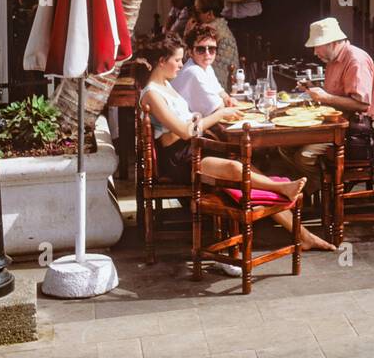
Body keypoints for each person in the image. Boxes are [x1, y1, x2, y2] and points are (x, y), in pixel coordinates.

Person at [134, 35, 332, 253]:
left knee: (246, 168)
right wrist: (219, 114)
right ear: (162, 61)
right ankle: (282, 189)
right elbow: (184, 131)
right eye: (178, 60)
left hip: (190, 147)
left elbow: (188, 124)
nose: (182, 65)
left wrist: (196, 121)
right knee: (234, 169)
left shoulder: (165, 85)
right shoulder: (152, 93)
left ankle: (303, 234)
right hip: (177, 159)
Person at [303, 16, 374, 189]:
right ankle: (318, 193)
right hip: (337, 125)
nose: (315, 52)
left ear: (333, 42)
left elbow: (362, 105)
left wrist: (324, 98)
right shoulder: (333, 59)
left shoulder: (355, 60)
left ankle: (325, 193)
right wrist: (314, 90)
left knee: (304, 155)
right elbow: (335, 95)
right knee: (285, 147)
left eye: (317, 46)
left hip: (356, 130)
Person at [171, 24, 241, 116]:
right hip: (181, 126)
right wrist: (224, 102)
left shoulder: (206, 67)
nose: (207, 54)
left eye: (211, 49)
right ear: (190, 52)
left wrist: (227, 99)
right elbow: (217, 109)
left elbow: (219, 91)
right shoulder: (193, 71)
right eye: (201, 49)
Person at [189, 0, 240, 88]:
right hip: (231, 79)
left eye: (197, 11)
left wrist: (188, 31)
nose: (194, 15)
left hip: (219, 81)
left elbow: (188, 55)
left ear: (209, 14)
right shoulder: (221, 25)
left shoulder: (208, 30)